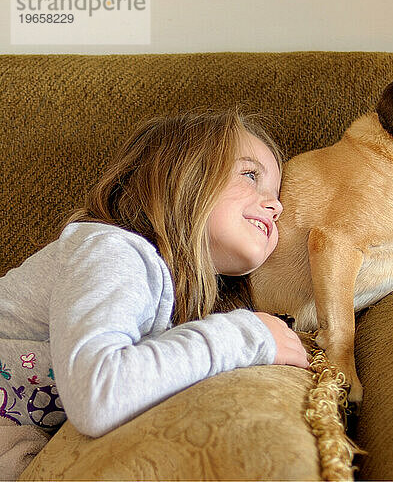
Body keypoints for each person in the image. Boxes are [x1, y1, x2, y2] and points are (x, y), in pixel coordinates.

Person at [0, 110, 309, 479]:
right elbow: (98, 394)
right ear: (178, 176)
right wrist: (245, 336)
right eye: (249, 175)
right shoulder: (115, 251)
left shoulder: (178, 295)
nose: (276, 206)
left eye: (276, 194)